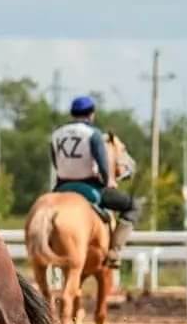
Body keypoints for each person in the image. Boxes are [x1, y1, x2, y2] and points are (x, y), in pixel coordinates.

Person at [51, 95, 140, 267]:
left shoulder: (56, 134)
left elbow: (55, 162)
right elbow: (103, 163)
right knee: (133, 205)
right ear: (91, 114)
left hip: (60, 188)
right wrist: (108, 181)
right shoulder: (94, 134)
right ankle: (114, 251)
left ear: (72, 114)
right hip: (89, 187)